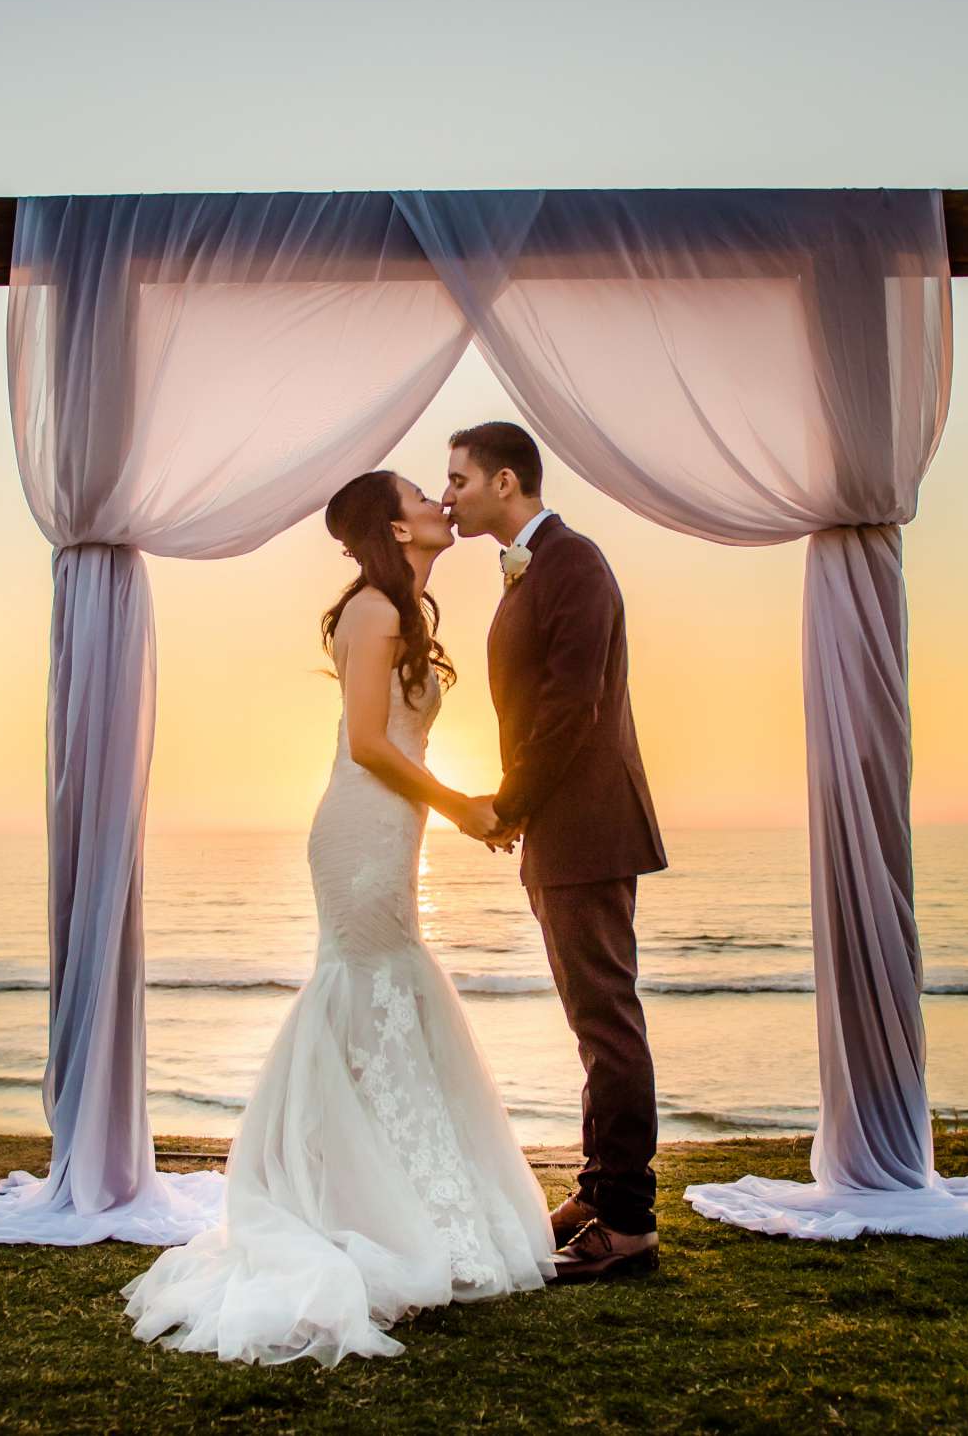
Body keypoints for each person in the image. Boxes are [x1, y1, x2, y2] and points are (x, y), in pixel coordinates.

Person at [120, 470, 552, 1365]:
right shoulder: (372, 611)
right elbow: (366, 743)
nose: (441, 500)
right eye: (423, 495)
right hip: (361, 831)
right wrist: (459, 806)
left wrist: (456, 810)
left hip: (392, 829)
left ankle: (396, 1194)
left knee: (391, 989)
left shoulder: (400, 611)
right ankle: (354, 1207)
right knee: (369, 989)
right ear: (395, 527)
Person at [444, 422, 669, 1284]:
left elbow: (571, 712)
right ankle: (602, 1188)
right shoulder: (537, 566)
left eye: (459, 478)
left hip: (587, 825)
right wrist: (520, 811)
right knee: (592, 1019)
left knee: (606, 1021)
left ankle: (630, 1224)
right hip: (561, 825)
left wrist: (510, 805)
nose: (450, 493)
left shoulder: (573, 563)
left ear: (508, 482)